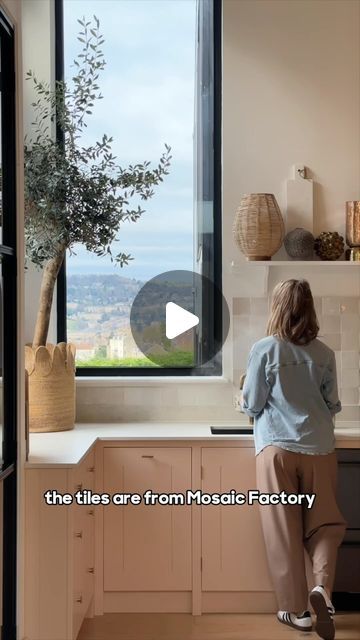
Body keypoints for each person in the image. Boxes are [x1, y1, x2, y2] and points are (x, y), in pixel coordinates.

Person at [241, 279, 347, 640]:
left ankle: (297, 612)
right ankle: (323, 591)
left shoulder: (264, 350)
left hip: (278, 452)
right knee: (325, 526)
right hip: (320, 449)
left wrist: (239, 400)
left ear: (277, 308)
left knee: (283, 531)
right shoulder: (325, 354)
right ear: (310, 309)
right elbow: (332, 405)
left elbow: (252, 403)